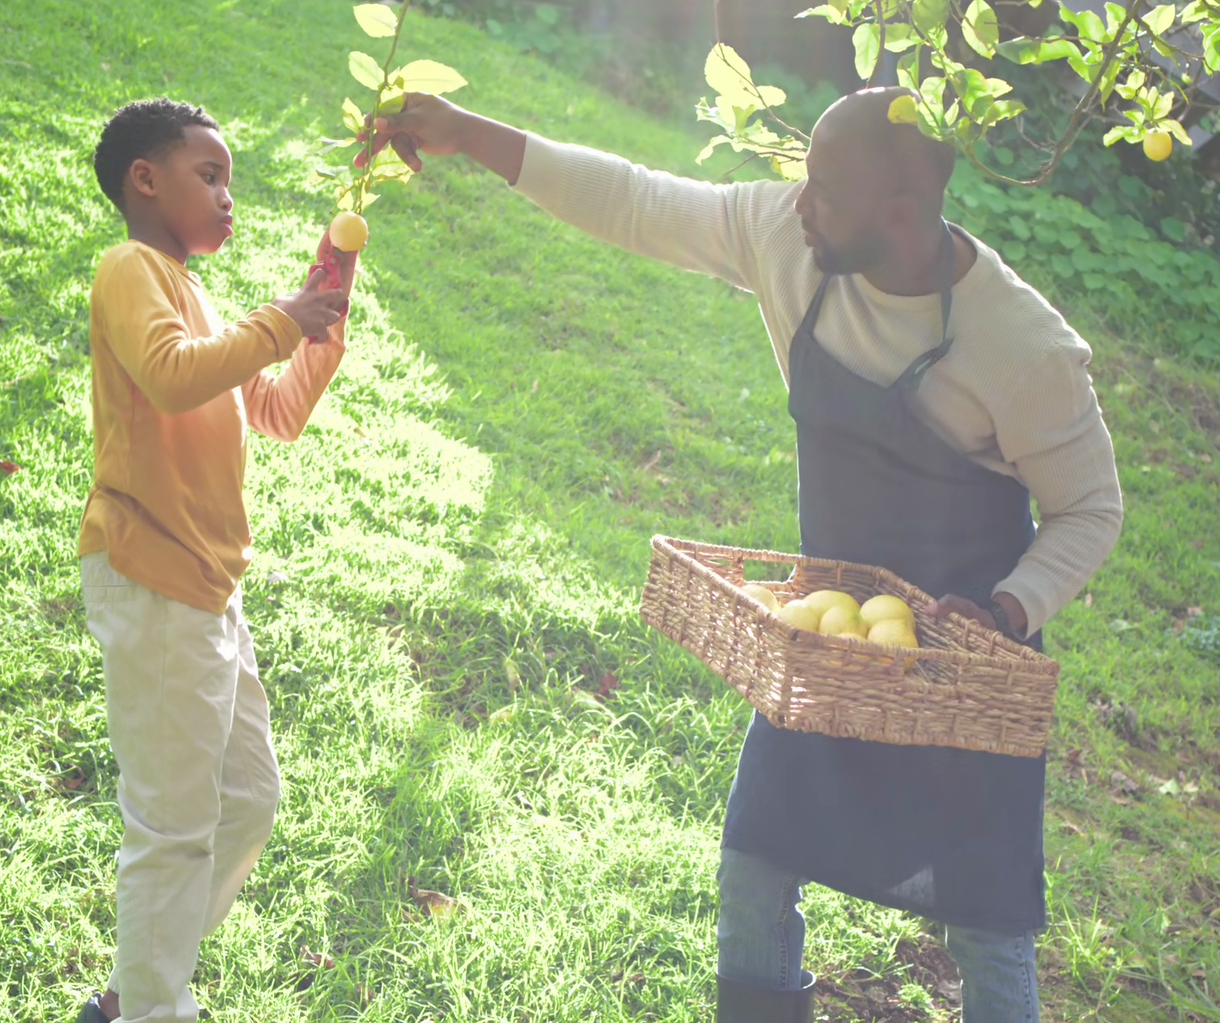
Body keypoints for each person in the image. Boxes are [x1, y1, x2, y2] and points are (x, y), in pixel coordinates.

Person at [362, 87, 1122, 1022]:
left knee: (986, 928)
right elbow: (637, 200)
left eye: (824, 190)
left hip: (965, 673)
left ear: (899, 209)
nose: (798, 203)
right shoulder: (791, 241)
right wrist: (469, 133)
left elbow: (1090, 508)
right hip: (825, 644)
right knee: (756, 865)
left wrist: (1008, 609)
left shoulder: (1022, 346)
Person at [74, 97, 354, 1023]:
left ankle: (136, 991)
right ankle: (153, 1010)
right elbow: (169, 376)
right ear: (144, 180)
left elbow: (272, 411)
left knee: (247, 800)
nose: (228, 196)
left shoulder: (191, 292)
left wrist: (317, 332)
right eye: (210, 174)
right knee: (173, 826)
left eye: (229, 179)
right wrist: (278, 319)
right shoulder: (129, 269)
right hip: (153, 572)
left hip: (206, 587)